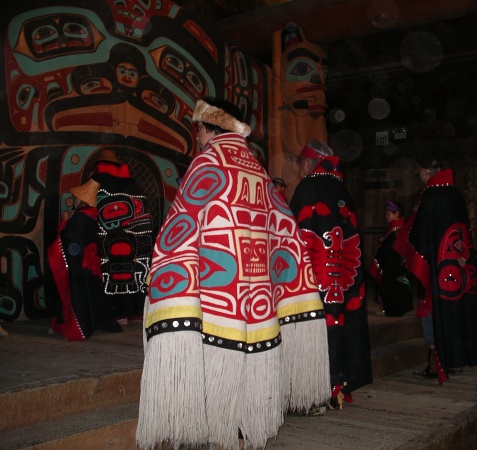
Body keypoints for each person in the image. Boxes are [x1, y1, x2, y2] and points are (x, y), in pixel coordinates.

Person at [136, 98, 330, 450]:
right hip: (255, 302)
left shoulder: (208, 162)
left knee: (216, 386)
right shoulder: (255, 168)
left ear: (209, 126)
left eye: (198, 128)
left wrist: (162, 278)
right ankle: (240, 438)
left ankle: (219, 439)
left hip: (216, 301)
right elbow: (286, 230)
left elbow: (179, 230)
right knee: (243, 389)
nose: (197, 136)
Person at [289, 139, 372, 411]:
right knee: (338, 325)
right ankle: (337, 383)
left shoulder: (307, 189)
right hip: (341, 282)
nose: (298, 167)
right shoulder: (342, 191)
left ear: (310, 162)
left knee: (314, 327)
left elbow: (294, 238)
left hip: (314, 280)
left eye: (300, 161)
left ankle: (313, 394)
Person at [392, 154, 477, 384]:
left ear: (424, 172)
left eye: (420, 173)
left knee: (433, 310)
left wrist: (406, 239)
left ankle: (437, 363)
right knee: (454, 311)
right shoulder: (455, 195)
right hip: (456, 267)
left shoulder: (431, 195)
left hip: (437, 269)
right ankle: (454, 360)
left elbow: (420, 236)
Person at [47, 179, 122, 341]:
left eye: (75, 197)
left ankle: (77, 324)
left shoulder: (79, 219)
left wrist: (64, 222)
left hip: (79, 266)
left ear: (81, 199)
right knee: (92, 294)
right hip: (92, 265)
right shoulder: (94, 217)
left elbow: (68, 242)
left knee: (76, 295)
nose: (73, 200)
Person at [92, 149, 155, 325]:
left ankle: (114, 311)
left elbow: (86, 209)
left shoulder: (96, 183)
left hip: (110, 238)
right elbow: (145, 216)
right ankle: (130, 310)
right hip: (128, 239)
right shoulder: (132, 186)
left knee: (111, 272)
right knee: (130, 271)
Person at [369, 200, 413, 316]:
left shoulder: (399, 229)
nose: (386, 216)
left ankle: (394, 309)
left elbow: (391, 248)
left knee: (394, 287)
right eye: (386, 214)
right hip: (394, 266)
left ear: (397, 214)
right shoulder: (397, 228)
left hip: (393, 266)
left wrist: (383, 245)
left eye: (388, 214)